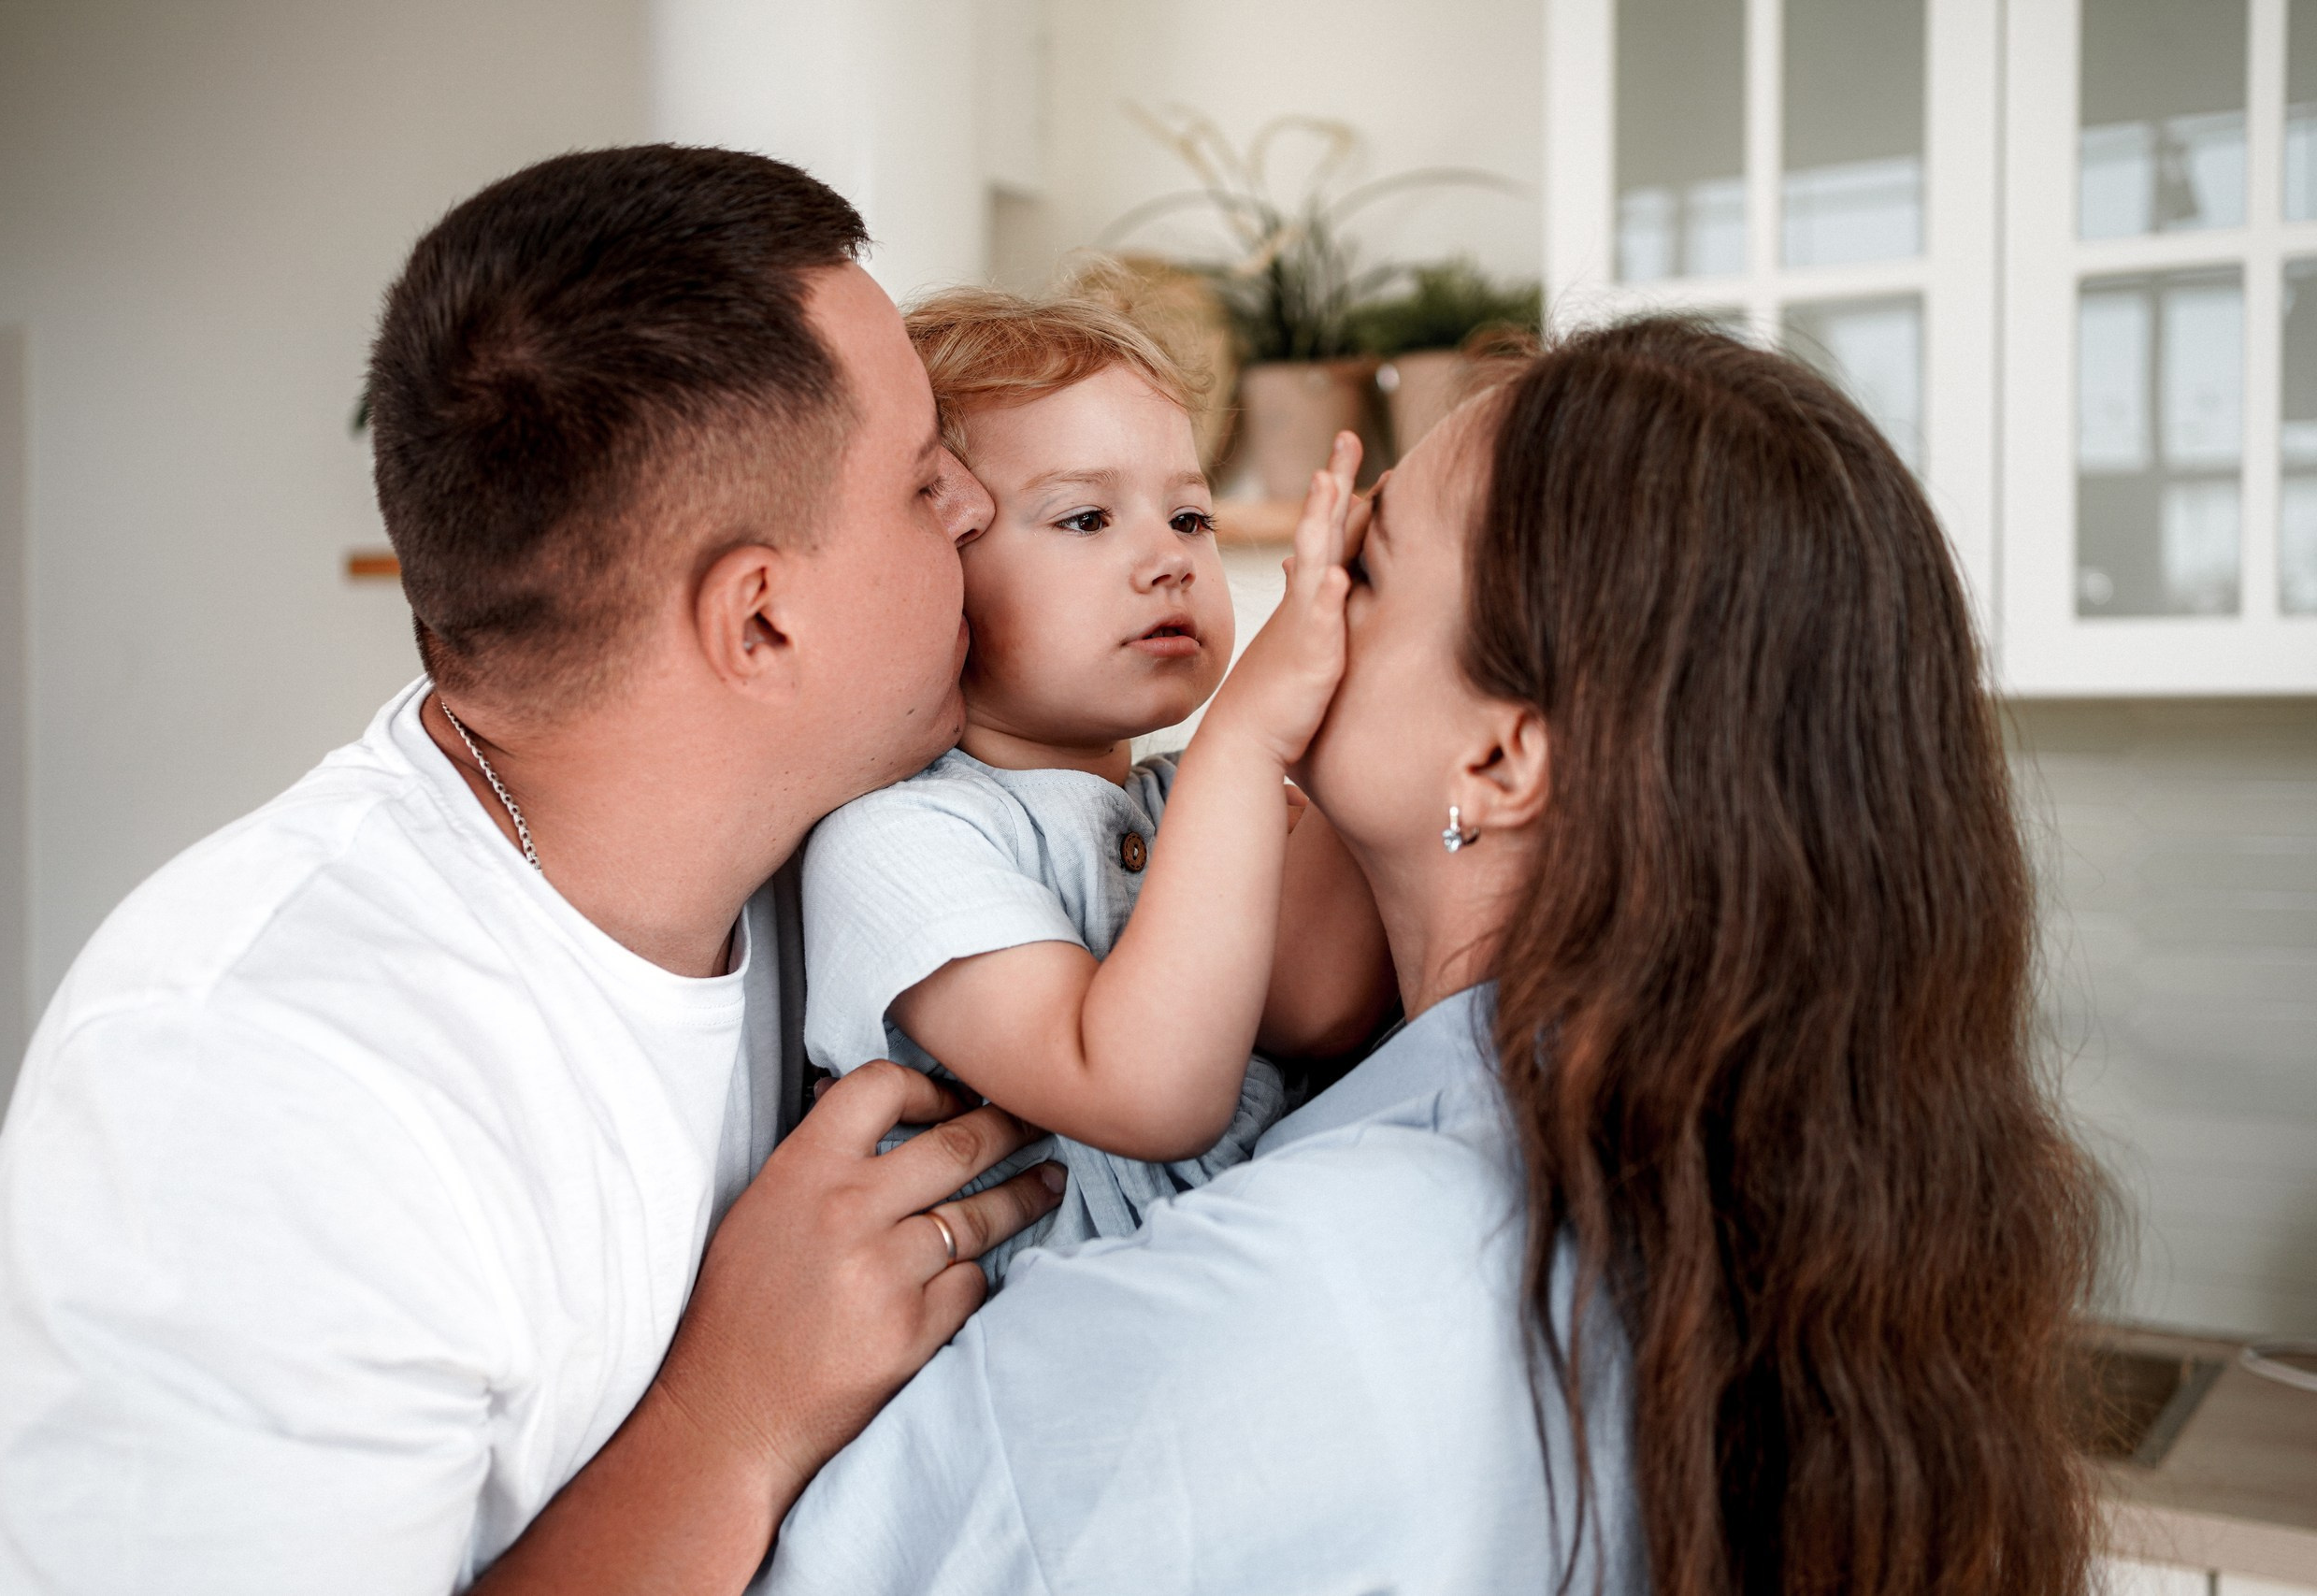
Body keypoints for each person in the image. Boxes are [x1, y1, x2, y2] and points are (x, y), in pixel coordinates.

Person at [757, 320, 2108, 1596]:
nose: (1299, 612)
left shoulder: (1311, 1281)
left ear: (1505, 758)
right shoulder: (1705, 1186)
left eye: (1359, 567)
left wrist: (733, 1407)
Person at [0, 146, 1066, 1595]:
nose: (973, 504)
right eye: (919, 480)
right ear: (760, 622)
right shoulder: (247, 1099)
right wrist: (731, 1419)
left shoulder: (852, 850)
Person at [799, 289, 1394, 1285]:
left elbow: (1317, 1003)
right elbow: (1141, 1092)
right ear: (936, 559)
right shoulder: (897, 841)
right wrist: (1246, 736)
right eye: (1085, 517)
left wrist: (1361, 653)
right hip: (1043, 1349)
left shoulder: (1197, 797)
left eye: (1190, 516)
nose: (1168, 559)